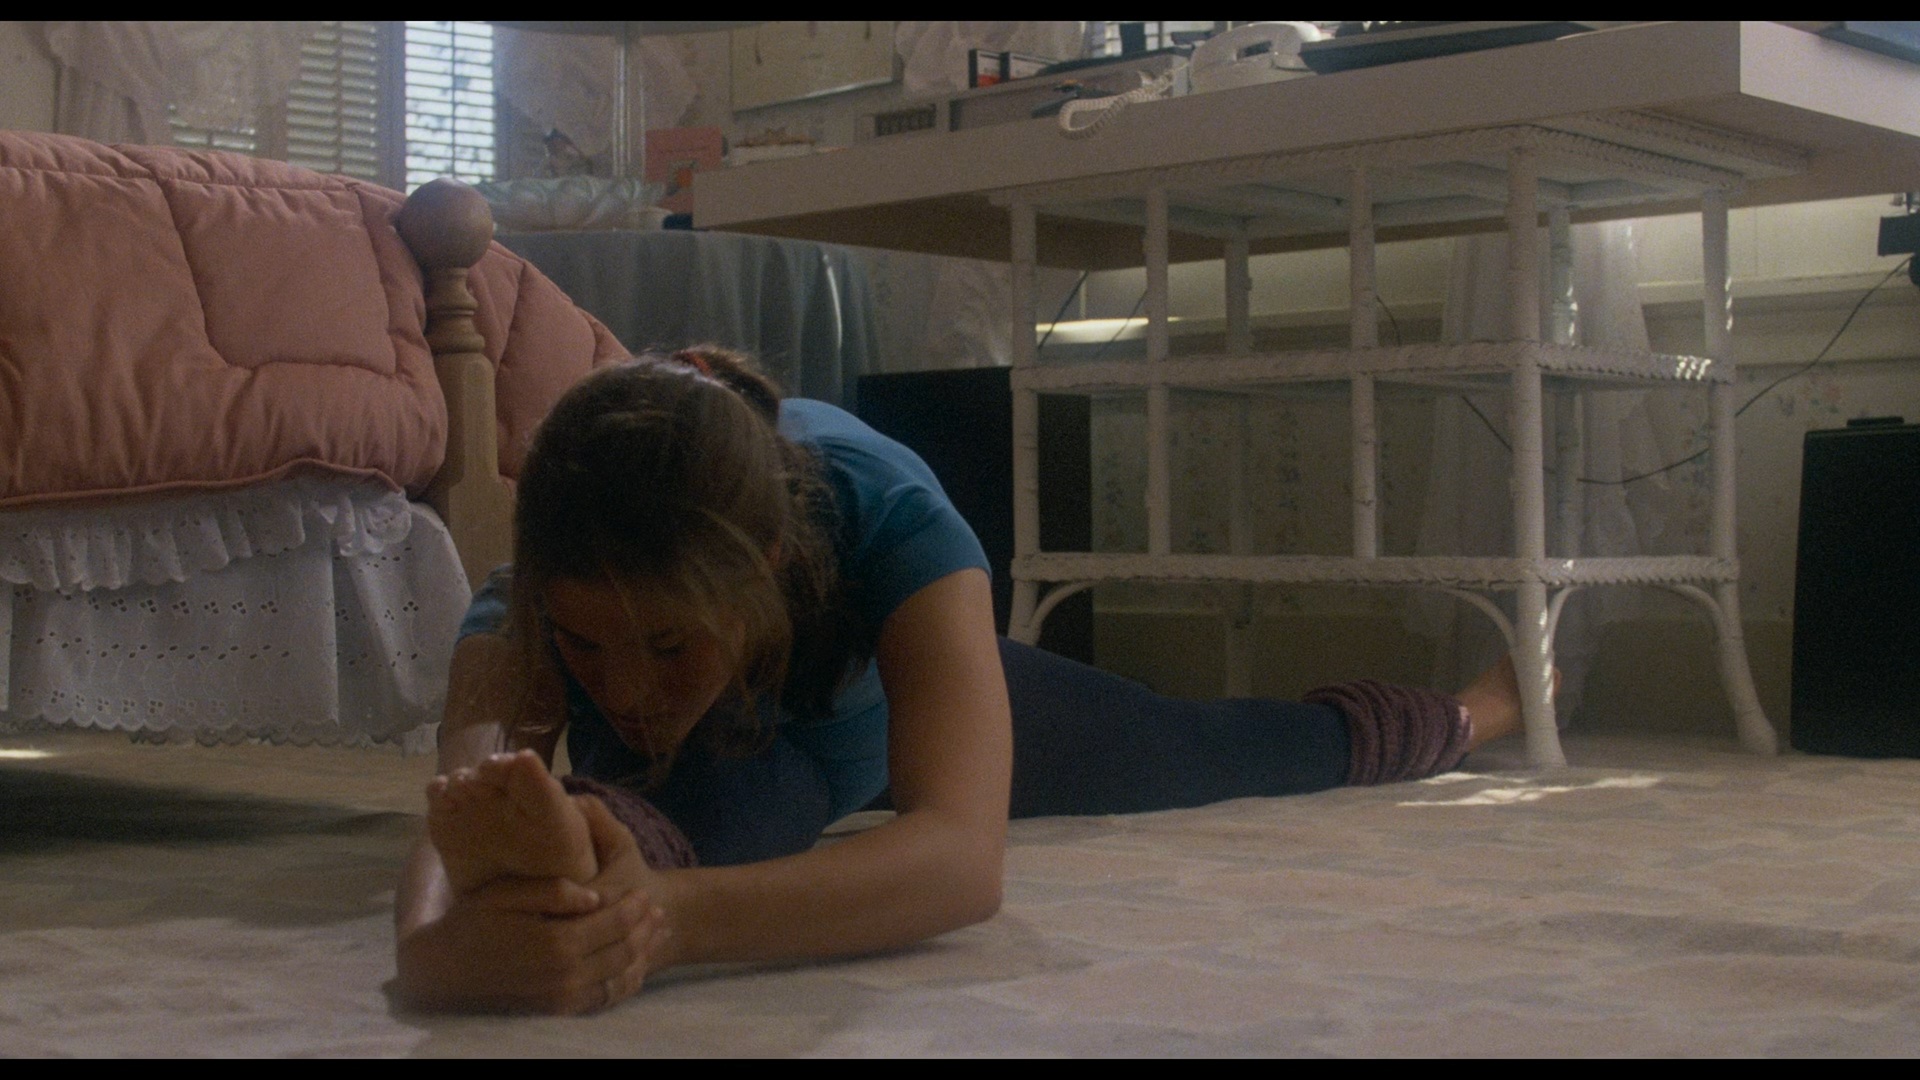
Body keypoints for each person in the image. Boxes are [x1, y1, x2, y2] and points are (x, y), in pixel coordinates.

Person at [390, 347, 1528, 1014]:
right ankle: (609, 834)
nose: (627, 690)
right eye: (589, 648)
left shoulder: (887, 509)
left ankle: (1475, 711)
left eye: (671, 646)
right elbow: (461, 815)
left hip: (894, 709)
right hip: (730, 773)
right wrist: (438, 948)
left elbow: (960, 864)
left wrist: (662, 923)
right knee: (736, 805)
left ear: (770, 568)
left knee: (1200, 747)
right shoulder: (527, 595)